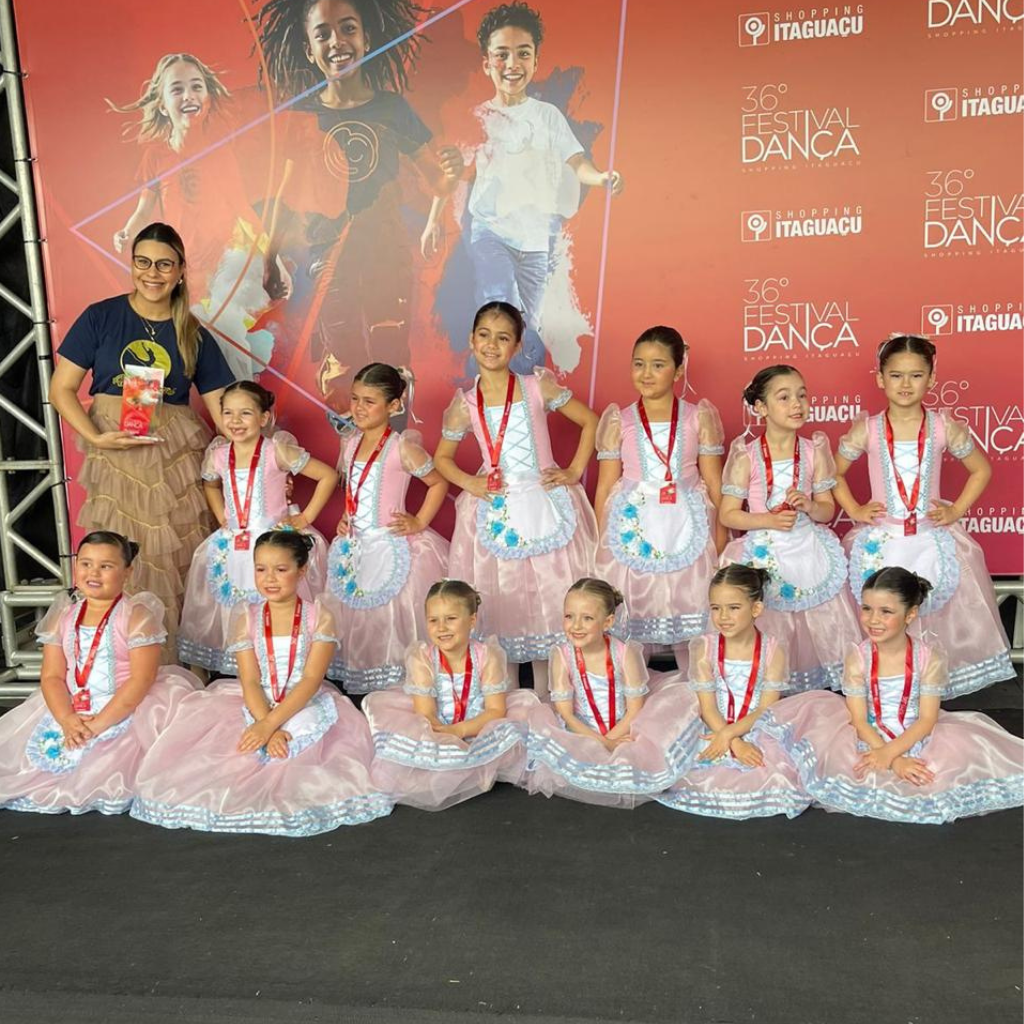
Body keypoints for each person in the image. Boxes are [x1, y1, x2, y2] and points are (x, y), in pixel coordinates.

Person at [256, 0, 462, 409]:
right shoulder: (302, 116)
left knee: (390, 359)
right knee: (343, 360)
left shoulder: (393, 109)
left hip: (387, 254)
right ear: (309, 49)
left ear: (366, 38)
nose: (337, 41)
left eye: (348, 28)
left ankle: (394, 441)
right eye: (323, 34)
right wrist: (270, 257)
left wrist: (452, 172)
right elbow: (286, 193)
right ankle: (350, 441)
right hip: (331, 258)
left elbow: (439, 181)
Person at [48, 222, 235, 653]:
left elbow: (224, 410)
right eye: (143, 262)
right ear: (132, 264)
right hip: (117, 456)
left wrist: (265, 459)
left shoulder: (192, 332)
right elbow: (61, 389)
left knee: (175, 559)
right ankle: (119, 659)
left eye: (164, 264)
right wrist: (96, 438)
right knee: (119, 555)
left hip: (172, 459)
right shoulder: (101, 316)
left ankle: (174, 663)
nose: (153, 273)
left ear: (181, 270)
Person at [131, 530, 391, 836]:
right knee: (231, 759)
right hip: (256, 702)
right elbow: (251, 680)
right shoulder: (247, 617)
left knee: (295, 759)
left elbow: (311, 679)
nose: (270, 578)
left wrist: (269, 727)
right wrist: (264, 723)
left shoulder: (319, 616)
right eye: (260, 569)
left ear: (302, 570)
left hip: (304, 701)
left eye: (281, 569)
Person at [427, 1, 623, 372]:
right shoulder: (479, 117)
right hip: (490, 232)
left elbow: (576, 161)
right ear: (487, 63)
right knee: (501, 305)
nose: (512, 64)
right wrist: (432, 220)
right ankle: (490, 389)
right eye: (501, 54)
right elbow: (453, 174)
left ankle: (519, 389)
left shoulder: (547, 117)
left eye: (523, 53)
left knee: (525, 325)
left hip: (535, 239)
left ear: (535, 61)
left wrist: (600, 178)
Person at [764, 567, 1024, 823]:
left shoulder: (928, 658)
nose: (873, 619)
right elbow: (859, 720)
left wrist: (891, 753)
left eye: (886, 612)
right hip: (867, 735)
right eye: (867, 608)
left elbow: (927, 719)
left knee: (951, 769)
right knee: (842, 768)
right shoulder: (858, 657)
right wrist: (892, 759)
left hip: (918, 733)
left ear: (910, 614)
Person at [433, 301, 598, 696]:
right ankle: (503, 696)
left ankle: (549, 694)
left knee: (548, 596)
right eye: (484, 335)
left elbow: (590, 421)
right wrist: (469, 483)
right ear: (471, 340)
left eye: (503, 337)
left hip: (544, 502)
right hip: (496, 507)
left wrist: (574, 470)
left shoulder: (536, 387)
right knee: (501, 601)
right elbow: (441, 458)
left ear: (517, 346)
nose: (492, 345)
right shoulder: (465, 404)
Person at [833, 334, 1012, 697]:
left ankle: (923, 685)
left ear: (931, 379)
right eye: (896, 375)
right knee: (882, 612)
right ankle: (885, 684)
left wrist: (956, 509)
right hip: (882, 539)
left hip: (930, 537)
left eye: (916, 375)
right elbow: (832, 473)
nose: (906, 384)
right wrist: (854, 508)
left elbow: (981, 469)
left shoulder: (943, 427)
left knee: (930, 614)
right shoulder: (867, 429)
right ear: (880, 378)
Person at [108, 53, 292, 380]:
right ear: (162, 104)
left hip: (231, 255)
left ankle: (242, 402)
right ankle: (145, 408)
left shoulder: (219, 148)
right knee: (166, 338)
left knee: (226, 327)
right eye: (177, 89)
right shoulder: (156, 156)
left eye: (196, 87)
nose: (189, 95)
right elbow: (143, 211)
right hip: (188, 264)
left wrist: (273, 260)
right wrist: (126, 231)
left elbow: (241, 206)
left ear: (207, 96)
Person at [0, 532, 200, 814]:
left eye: (106, 566)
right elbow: (52, 676)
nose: (93, 573)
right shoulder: (63, 616)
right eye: (86, 564)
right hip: (71, 707)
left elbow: (141, 679)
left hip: (126, 704)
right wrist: (67, 719)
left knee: (111, 764)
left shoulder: (136, 616)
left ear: (127, 572)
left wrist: (98, 724)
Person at [177, 381, 336, 675]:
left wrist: (305, 518)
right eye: (228, 413)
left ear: (264, 418)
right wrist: (222, 515)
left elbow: (327, 475)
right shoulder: (218, 454)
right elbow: (210, 485)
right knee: (222, 601)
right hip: (233, 540)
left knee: (275, 597)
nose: (235, 421)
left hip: (272, 541)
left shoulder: (276, 451)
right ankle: (232, 667)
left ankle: (280, 666)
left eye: (245, 413)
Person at [719, 365, 861, 690]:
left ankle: (816, 688)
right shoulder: (746, 456)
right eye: (784, 397)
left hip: (807, 546)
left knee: (815, 619)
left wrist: (809, 506)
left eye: (802, 395)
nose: (797, 404)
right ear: (761, 407)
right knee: (772, 620)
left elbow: (827, 509)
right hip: (763, 549)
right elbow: (728, 514)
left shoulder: (814, 451)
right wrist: (767, 520)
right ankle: (771, 686)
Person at [593, 326, 725, 667]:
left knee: (687, 605)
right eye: (638, 364)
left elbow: (713, 480)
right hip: (633, 524)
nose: (646, 373)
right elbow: (606, 485)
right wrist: (600, 539)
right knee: (638, 607)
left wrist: (721, 535)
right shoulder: (619, 420)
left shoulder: (698, 417)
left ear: (678, 371)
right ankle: (635, 684)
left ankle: (693, 683)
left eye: (658, 365)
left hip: (687, 524)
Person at [518, 578, 699, 808]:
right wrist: (602, 742)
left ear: (608, 622)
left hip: (626, 725)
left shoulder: (625, 653)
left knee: (658, 738)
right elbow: (566, 714)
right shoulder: (562, 655)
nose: (576, 626)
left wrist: (613, 738)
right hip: (580, 729)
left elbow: (635, 709)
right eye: (569, 616)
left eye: (587, 618)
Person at [361, 579, 538, 810]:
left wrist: (460, 730)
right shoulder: (422, 658)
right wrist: (444, 736)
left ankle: (481, 766)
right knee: (408, 743)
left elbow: (495, 710)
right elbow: (425, 713)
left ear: (472, 620)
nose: (441, 628)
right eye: (433, 620)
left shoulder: (487, 656)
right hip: (436, 725)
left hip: (480, 723)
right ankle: (463, 767)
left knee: (517, 727)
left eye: (451, 619)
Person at [327, 363, 449, 693]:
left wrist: (419, 521)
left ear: (394, 405)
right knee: (360, 617)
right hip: (356, 545)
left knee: (393, 616)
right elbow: (354, 490)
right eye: (355, 398)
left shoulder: (401, 447)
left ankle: (399, 685)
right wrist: (347, 517)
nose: (358, 408)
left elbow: (437, 482)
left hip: (391, 544)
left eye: (369, 401)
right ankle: (366, 686)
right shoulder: (350, 442)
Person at [656, 565, 810, 819]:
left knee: (774, 771)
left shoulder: (773, 650)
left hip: (756, 726)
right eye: (716, 608)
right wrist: (733, 741)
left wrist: (730, 735)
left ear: (756, 609)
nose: (723, 616)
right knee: (680, 761)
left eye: (734, 608)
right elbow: (707, 707)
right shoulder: (704, 647)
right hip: (713, 723)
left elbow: (766, 708)